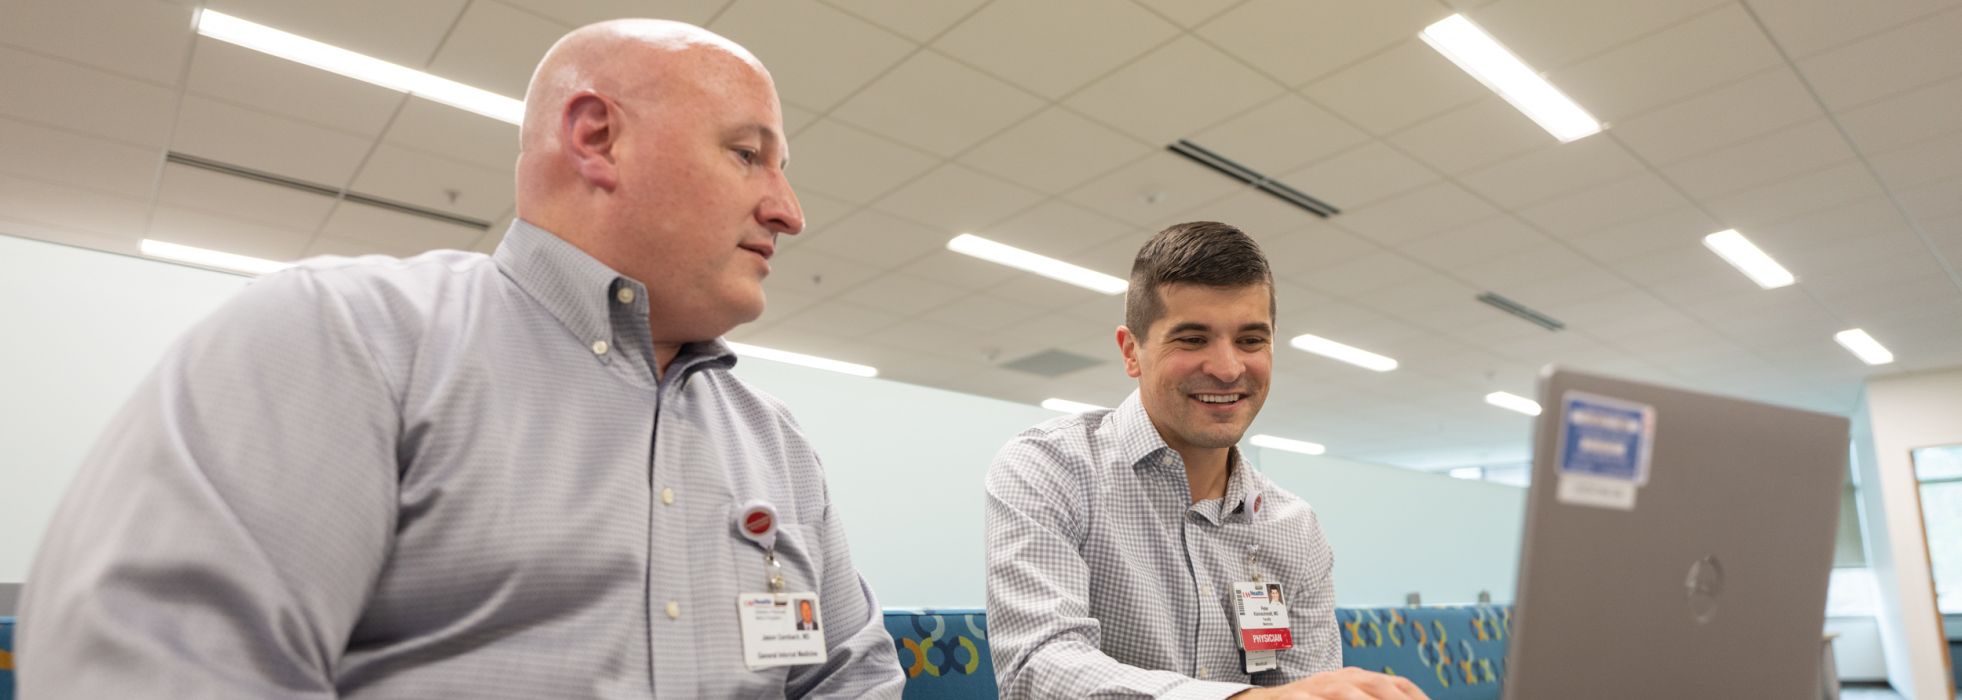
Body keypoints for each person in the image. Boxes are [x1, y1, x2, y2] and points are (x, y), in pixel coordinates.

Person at [17, 19, 902, 699]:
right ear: (596, 138)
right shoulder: (348, 339)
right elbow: (157, 668)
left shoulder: (774, 444)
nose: (789, 211)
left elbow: (853, 679)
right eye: (749, 155)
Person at [984, 222, 1428, 699]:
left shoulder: (1294, 529)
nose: (1227, 368)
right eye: (1193, 339)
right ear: (1131, 351)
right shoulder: (1051, 467)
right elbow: (1038, 668)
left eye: (1251, 340)